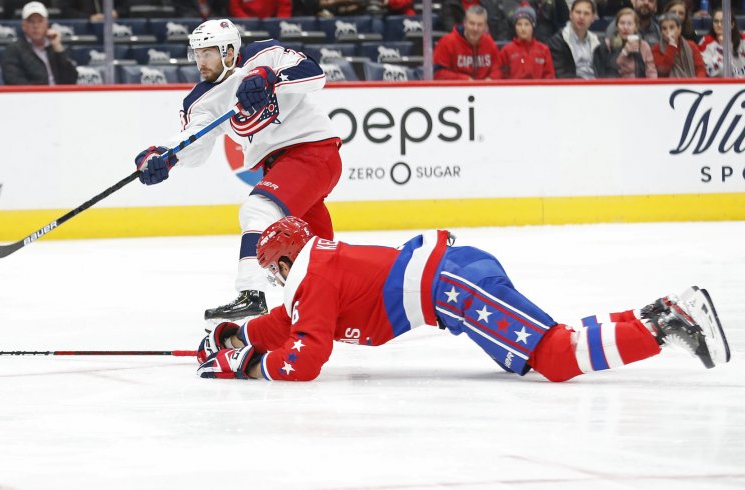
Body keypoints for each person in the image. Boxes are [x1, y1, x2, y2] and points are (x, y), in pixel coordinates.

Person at [195, 217, 732, 381]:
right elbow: (289, 323)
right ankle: (655, 318)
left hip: (454, 287)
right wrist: (238, 338)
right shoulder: (316, 269)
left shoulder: (313, 277)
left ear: (286, 260)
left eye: (271, 269)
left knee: (552, 358)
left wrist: (249, 367)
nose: (271, 279)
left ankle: (665, 321)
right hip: (453, 281)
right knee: (549, 350)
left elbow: (305, 359)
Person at [133, 19, 341, 322]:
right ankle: (332, 302)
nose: (200, 63)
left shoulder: (265, 53)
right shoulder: (200, 101)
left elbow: (315, 75)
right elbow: (195, 145)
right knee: (314, 253)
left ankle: (250, 294)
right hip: (281, 167)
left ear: (229, 51)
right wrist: (164, 156)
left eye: (208, 54)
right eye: (197, 55)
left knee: (258, 210)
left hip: (313, 150)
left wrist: (270, 77)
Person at [1, 1, 77, 85]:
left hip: (60, 95)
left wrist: (59, 49)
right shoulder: (14, 49)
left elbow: (72, 79)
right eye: (31, 22)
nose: (36, 26)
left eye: (40, 21)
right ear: (23, 26)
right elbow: (13, 80)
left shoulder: (56, 47)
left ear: (47, 24)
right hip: (31, 96)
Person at [433, 5, 503, 80]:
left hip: (484, 90)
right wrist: (464, 80)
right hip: (456, 90)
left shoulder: (489, 42)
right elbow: (437, 73)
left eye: (480, 25)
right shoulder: (447, 42)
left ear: (485, 26)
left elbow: (498, 69)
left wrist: (491, 78)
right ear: (464, 23)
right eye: (472, 23)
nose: (475, 28)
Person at [595, 7, 658, 77]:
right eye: (622, 23)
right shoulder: (608, 44)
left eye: (630, 24)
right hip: (616, 84)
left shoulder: (643, 45)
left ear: (636, 27)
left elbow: (651, 71)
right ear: (616, 26)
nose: (625, 27)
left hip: (639, 85)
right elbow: (610, 69)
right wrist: (625, 52)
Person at [499, 3, 556, 78]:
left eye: (527, 24)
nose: (523, 28)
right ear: (515, 27)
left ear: (533, 26)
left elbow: (549, 76)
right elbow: (502, 77)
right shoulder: (506, 51)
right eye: (519, 24)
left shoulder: (544, 50)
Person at [548, 0, 601, 78]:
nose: (581, 17)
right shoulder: (557, 41)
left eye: (586, 13)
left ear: (593, 18)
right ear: (570, 14)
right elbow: (561, 74)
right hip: (571, 87)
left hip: (599, 87)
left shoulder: (598, 42)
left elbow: (605, 70)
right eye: (578, 12)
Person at [651, 12, 706, 77]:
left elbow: (700, 69)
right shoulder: (656, 48)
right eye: (664, 28)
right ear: (661, 32)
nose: (668, 31)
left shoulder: (691, 45)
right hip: (668, 85)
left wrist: (697, 83)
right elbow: (663, 69)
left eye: (672, 27)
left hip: (692, 84)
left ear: (679, 29)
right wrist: (672, 46)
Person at [699, 10, 745, 78]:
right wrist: (721, 47)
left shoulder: (743, 40)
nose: (719, 25)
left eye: (723, 21)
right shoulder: (706, 42)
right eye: (716, 21)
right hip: (718, 84)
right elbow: (711, 71)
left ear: (732, 24)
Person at [441, 0, 510, 42]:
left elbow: (501, 25)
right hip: (462, 46)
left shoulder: (489, 2)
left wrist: (499, 43)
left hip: (489, 45)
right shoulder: (450, 4)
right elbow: (451, 27)